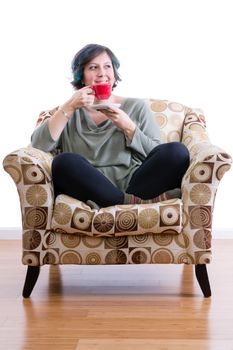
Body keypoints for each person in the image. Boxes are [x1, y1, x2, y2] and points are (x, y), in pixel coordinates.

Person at [31, 43, 190, 209]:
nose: (102, 73)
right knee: (62, 162)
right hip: (89, 187)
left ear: (114, 73)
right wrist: (69, 106)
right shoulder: (69, 112)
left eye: (107, 66)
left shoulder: (136, 107)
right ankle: (126, 203)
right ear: (81, 76)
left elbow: (157, 155)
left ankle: (114, 201)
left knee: (177, 152)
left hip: (136, 184)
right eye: (93, 67)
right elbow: (38, 145)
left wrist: (129, 127)